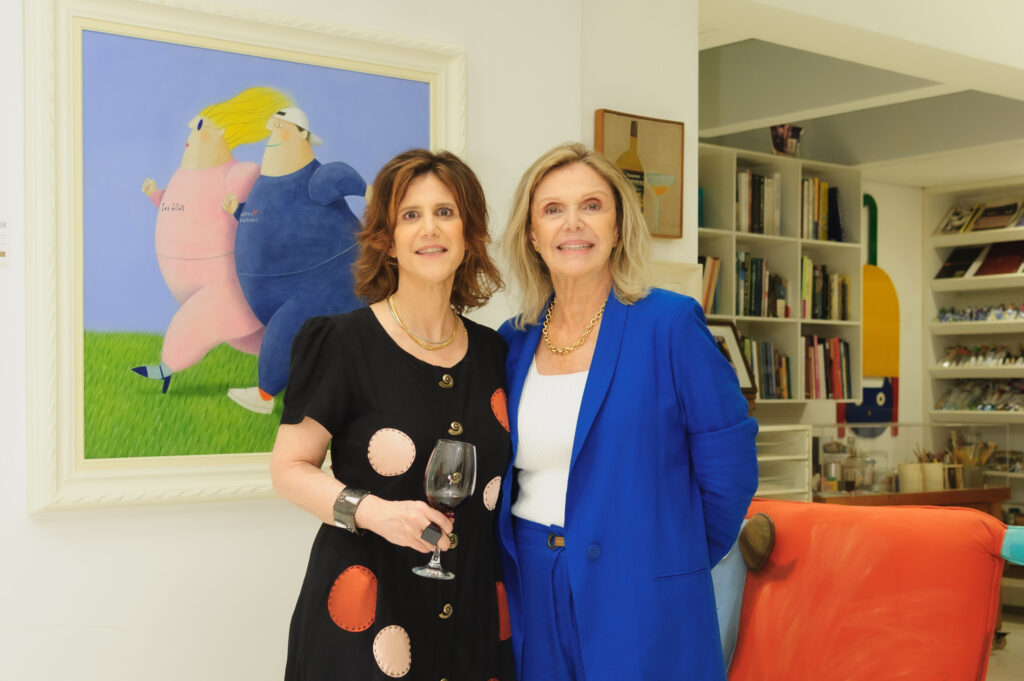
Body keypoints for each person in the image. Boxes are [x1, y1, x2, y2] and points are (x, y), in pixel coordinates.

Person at [497, 142, 759, 680]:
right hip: (533, 588)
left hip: (644, 593)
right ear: (532, 234)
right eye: (553, 209)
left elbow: (730, 472)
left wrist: (671, 561)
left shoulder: (670, 323)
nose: (573, 223)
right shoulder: (512, 342)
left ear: (617, 226)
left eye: (592, 206)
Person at [270, 149, 515, 680]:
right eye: (410, 215)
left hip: (473, 617)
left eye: (445, 212)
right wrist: (375, 513)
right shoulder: (340, 342)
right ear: (387, 238)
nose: (430, 228)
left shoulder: (497, 353)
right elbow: (288, 469)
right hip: (364, 619)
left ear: (470, 233)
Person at [132, 87, 289, 392]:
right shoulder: (185, 175)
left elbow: (258, 213)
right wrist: (156, 196)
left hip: (225, 284)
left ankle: (166, 368)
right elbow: (177, 205)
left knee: (202, 319)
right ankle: (293, 364)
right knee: (254, 338)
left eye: (200, 126)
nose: (191, 133)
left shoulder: (239, 174)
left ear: (223, 134)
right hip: (203, 283)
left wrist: (240, 207)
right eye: (192, 126)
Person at [225, 106, 368, 414]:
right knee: (302, 340)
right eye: (273, 126)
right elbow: (263, 215)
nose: (273, 132)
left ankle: (264, 395)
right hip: (281, 287)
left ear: (301, 134)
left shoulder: (314, 179)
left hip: (322, 282)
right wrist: (239, 210)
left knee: (287, 329)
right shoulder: (268, 182)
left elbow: (338, 176)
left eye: (280, 126)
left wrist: (369, 191)